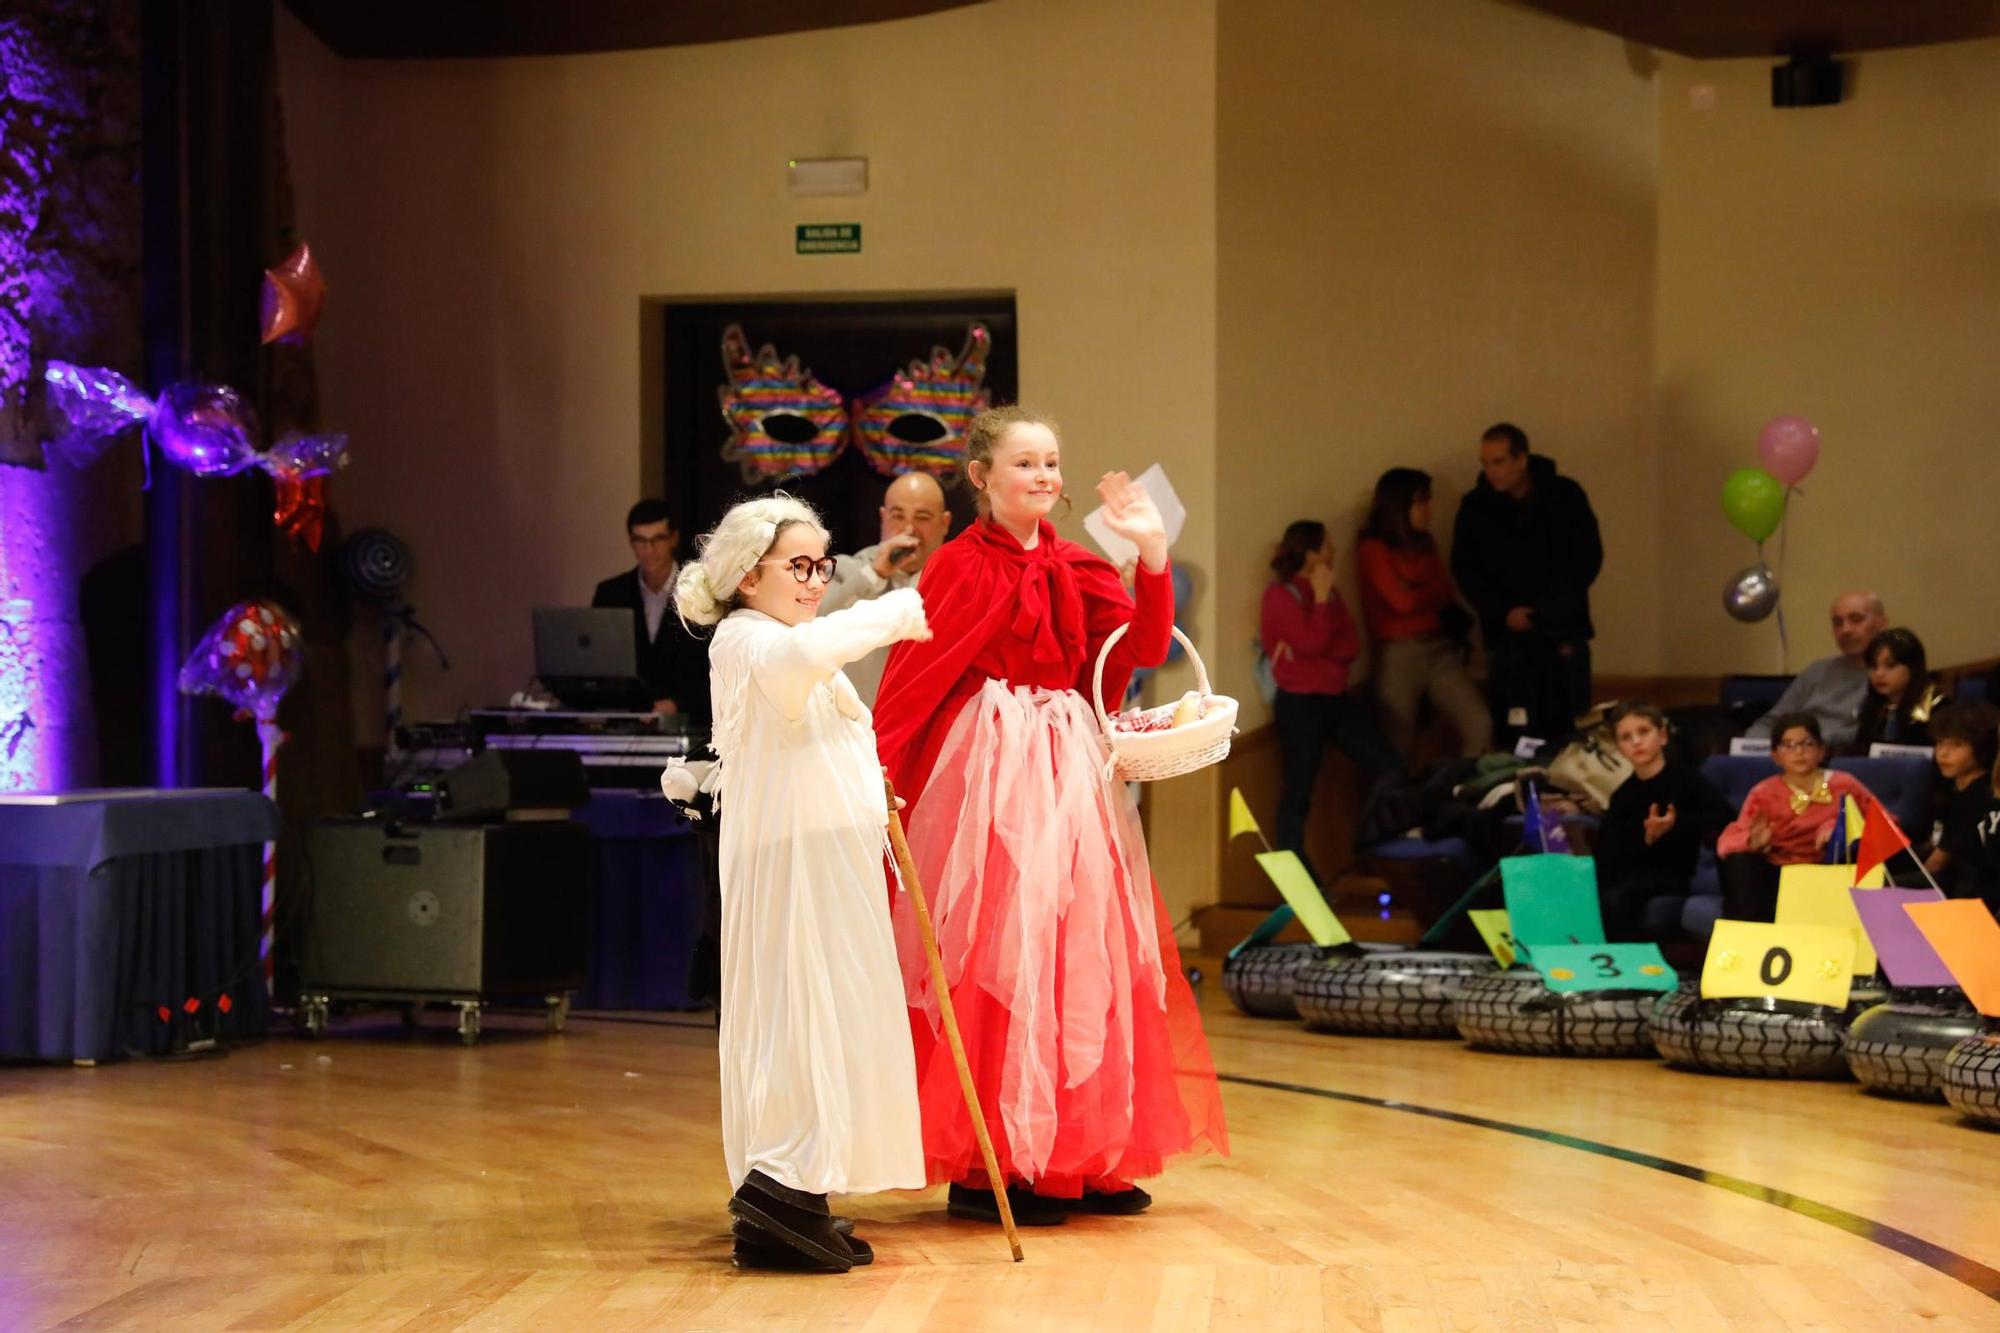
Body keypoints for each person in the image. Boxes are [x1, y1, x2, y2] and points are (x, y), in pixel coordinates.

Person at [873, 405, 1228, 1227]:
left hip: (1066, 768)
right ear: (982, 477)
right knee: (998, 949)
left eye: (1052, 463)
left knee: (1078, 950)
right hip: (988, 774)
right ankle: (992, 1158)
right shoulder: (960, 566)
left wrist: (1150, 553)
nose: (1042, 476)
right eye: (1025, 463)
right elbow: (913, 680)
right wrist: (881, 775)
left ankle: (1075, 1151)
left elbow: (1140, 649)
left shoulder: (1077, 564)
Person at [669, 493, 932, 1273]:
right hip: (791, 870)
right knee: (796, 1015)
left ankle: (802, 1188)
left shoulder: (778, 634)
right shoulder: (750, 639)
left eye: (823, 563)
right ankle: (779, 1184)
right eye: (803, 565)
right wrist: (898, 610)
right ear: (749, 577)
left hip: (820, 861)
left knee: (830, 1015)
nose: (818, 579)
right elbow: (803, 663)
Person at [1449, 422, 1602, 747]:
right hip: (1507, 636)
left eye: (1499, 461)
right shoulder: (1476, 507)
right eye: (1485, 463)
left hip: (1562, 628)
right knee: (1514, 730)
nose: (1491, 471)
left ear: (1522, 459)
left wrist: (1544, 611)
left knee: (1570, 727)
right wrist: (1503, 612)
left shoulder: (1565, 496)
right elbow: (1466, 570)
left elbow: (1586, 559)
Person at [1262, 519, 1401, 872]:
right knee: (1297, 792)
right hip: (1299, 704)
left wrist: (1322, 625)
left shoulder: (1333, 594)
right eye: (1325, 546)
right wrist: (1321, 602)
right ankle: (1296, 879)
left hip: (1335, 698)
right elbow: (1312, 642)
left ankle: (1378, 849)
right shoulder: (1280, 596)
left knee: (1390, 765)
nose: (1332, 552)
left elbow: (1349, 646)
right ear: (1310, 553)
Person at [1355, 467, 1491, 761]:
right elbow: (1401, 602)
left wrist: (1417, 593)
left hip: (1438, 648)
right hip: (1399, 654)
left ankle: (1465, 797)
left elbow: (1445, 591)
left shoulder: (1425, 542)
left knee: (1480, 724)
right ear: (1399, 505)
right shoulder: (1373, 548)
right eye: (1421, 501)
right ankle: (1393, 806)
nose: (1428, 509)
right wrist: (1424, 594)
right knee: (1397, 745)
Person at [1591, 703, 1734, 940]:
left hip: (1670, 875)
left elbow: (1724, 820)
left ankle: (1632, 966)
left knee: (1618, 898)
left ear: (1663, 736)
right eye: (1626, 737)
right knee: (1593, 888)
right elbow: (1607, 851)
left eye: (1643, 732)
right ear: (1619, 748)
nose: (1636, 742)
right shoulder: (1622, 795)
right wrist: (1647, 838)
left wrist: (1673, 827)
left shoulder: (1688, 781)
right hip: (1626, 873)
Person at [1715, 713, 1876, 922]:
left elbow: (1883, 824)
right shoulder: (1763, 792)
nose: (1799, 752)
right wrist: (1754, 842)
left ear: (1821, 751)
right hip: (1778, 872)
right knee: (1740, 862)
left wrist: (1839, 831)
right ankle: (1748, 939)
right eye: (1789, 745)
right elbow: (1728, 841)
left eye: (1807, 744)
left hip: (1827, 870)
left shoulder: (1844, 784)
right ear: (1775, 756)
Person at [817, 471, 954, 705]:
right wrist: (876, 574)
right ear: (882, 518)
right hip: (861, 727)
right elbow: (815, 627)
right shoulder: (848, 572)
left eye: (922, 517)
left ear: (945, 523)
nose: (909, 529)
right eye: (897, 516)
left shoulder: (960, 581)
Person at [592, 499, 712, 722]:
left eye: (658, 539)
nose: (649, 549)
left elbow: (712, 665)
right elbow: (603, 664)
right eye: (640, 541)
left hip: (690, 722)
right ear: (631, 542)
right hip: (627, 720)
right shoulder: (611, 594)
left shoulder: (702, 589)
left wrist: (679, 704)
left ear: (673, 538)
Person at [1744, 592, 1889, 749]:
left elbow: (1871, 732)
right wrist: (1749, 745)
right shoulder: (1817, 671)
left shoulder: (1892, 676)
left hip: (1839, 757)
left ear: (1882, 624)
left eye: (1856, 620)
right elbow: (1771, 721)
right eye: (1838, 623)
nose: (1846, 630)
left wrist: (1808, 743)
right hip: (1792, 754)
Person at [1923, 701, 2000, 909]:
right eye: (1940, 743)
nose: (1943, 753)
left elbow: (1938, 862)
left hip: (1971, 889)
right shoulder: (1949, 785)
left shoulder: (1982, 794)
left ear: (1982, 747)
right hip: (1954, 878)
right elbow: (1936, 839)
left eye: (1956, 744)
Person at [1850, 627, 1946, 754]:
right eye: (1873, 666)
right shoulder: (1868, 709)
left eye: (1890, 666)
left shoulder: (1937, 706)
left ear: (1912, 667)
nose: (1878, 674)